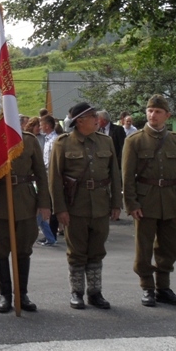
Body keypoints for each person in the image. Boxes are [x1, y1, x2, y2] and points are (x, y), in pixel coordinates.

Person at [122, 95, 176, 307]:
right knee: (144, 247)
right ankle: (147, 287)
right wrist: (132, 204)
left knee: (169, 247)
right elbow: (127, 177)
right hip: (146, 200)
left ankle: (163, 287)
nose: (152, 115)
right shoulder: (134, 141)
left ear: (167, 115)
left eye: (157, 111)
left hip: (171, 199)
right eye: (150, 111)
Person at [49, 102, 122, 310]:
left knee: (97, 250)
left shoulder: (106, 141)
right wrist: (60, 209)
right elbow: (54, 179)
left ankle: (95, 293)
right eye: (92, 116)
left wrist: (116, 203)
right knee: (77, 252)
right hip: (75, 207)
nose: (97, 119)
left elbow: (115, 175)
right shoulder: (63, 143)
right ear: (80, 121)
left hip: (100, 205)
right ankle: (77, 292)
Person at [0, 128, 51, 313]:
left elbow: (41, 173)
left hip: (25, 202)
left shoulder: (28, 140)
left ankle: (22, 294)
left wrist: (44, 203)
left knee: (23, 249)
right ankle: (5, 294)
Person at [37, 114, 59, 246]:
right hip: (45, 174)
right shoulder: (47, 139)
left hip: (51, 175)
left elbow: (52, 160)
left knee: (51, 205)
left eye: (41, 125)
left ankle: (52, 234)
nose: (40, 127)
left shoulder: (55, 140)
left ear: (47, 126)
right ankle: (49, 235)